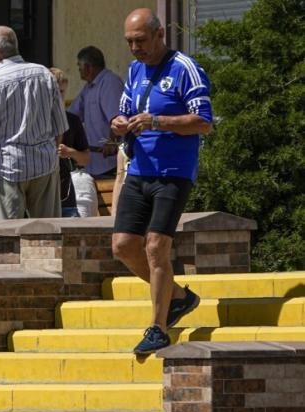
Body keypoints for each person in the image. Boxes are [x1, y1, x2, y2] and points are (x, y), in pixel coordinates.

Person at [111, 7, 212, 355]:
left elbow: (203, 122)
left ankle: (157, 327)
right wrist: (119, 123)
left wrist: (157, 122)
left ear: (159, 34)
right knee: (123, 246)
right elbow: (124, 110)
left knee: (155, 247)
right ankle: (179, 297)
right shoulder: (135, 70)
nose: (135, 48)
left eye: (140, 40)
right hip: (139, 169)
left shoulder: (184, 68)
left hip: (173, 173)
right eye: (129, 41)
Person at [0, 26, 68, 221]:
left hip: (4, 167)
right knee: (47, 235)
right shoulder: (44, 74)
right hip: (44, 165)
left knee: (5, 239)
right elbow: (59, 128)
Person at [69, 46, 124, 179]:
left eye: (79, 66)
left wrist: (111, 142)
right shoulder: (89, 87)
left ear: (88, 67)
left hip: (109, 162)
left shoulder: (109, 83)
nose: (79, 70)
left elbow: (118, 119)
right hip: (93, 163)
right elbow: (72, 116)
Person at [50, 67, 93, 218]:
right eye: (55, 91)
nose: (59, 96)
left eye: (62, 92)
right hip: (41, 195)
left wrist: (70, 152)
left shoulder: (73, 121)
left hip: (66, 194)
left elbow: (86, 159)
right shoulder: (36, 121)